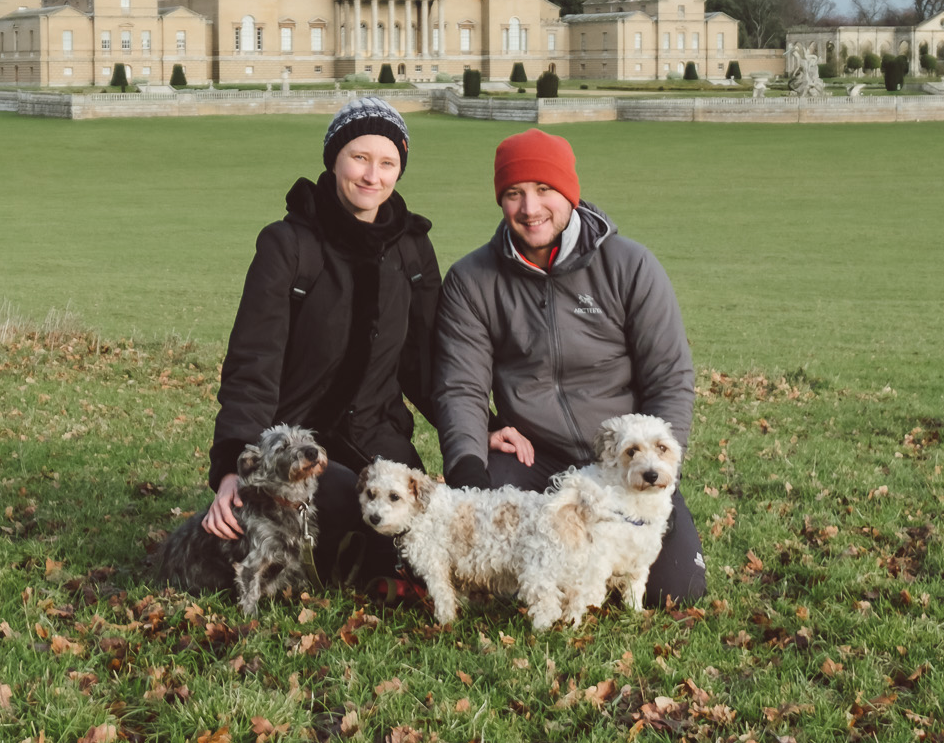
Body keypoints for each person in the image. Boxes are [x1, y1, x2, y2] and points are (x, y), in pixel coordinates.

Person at [433, 128, 707, 605]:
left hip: (620, 462)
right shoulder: (471, 280)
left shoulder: (630, 265)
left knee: (676, 591)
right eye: (514, 193)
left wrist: (657, 463)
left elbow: (670, 377)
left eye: (544, 190)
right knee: (500, 582)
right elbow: (461, 388)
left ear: (570, 194)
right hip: (532, 461)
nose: (530, 207)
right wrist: (469, 478)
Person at [202, 97, 440, 588]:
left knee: (416, 519)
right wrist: (230, 468)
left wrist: (483, 429)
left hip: (379, 435)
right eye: (359, 157)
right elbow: (254, 362)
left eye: (387, 162)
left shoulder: (412, 247)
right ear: (334, 159)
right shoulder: (287, 245)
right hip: (298, 440)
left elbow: (425, 362)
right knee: (332, 507)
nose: (372, 175)